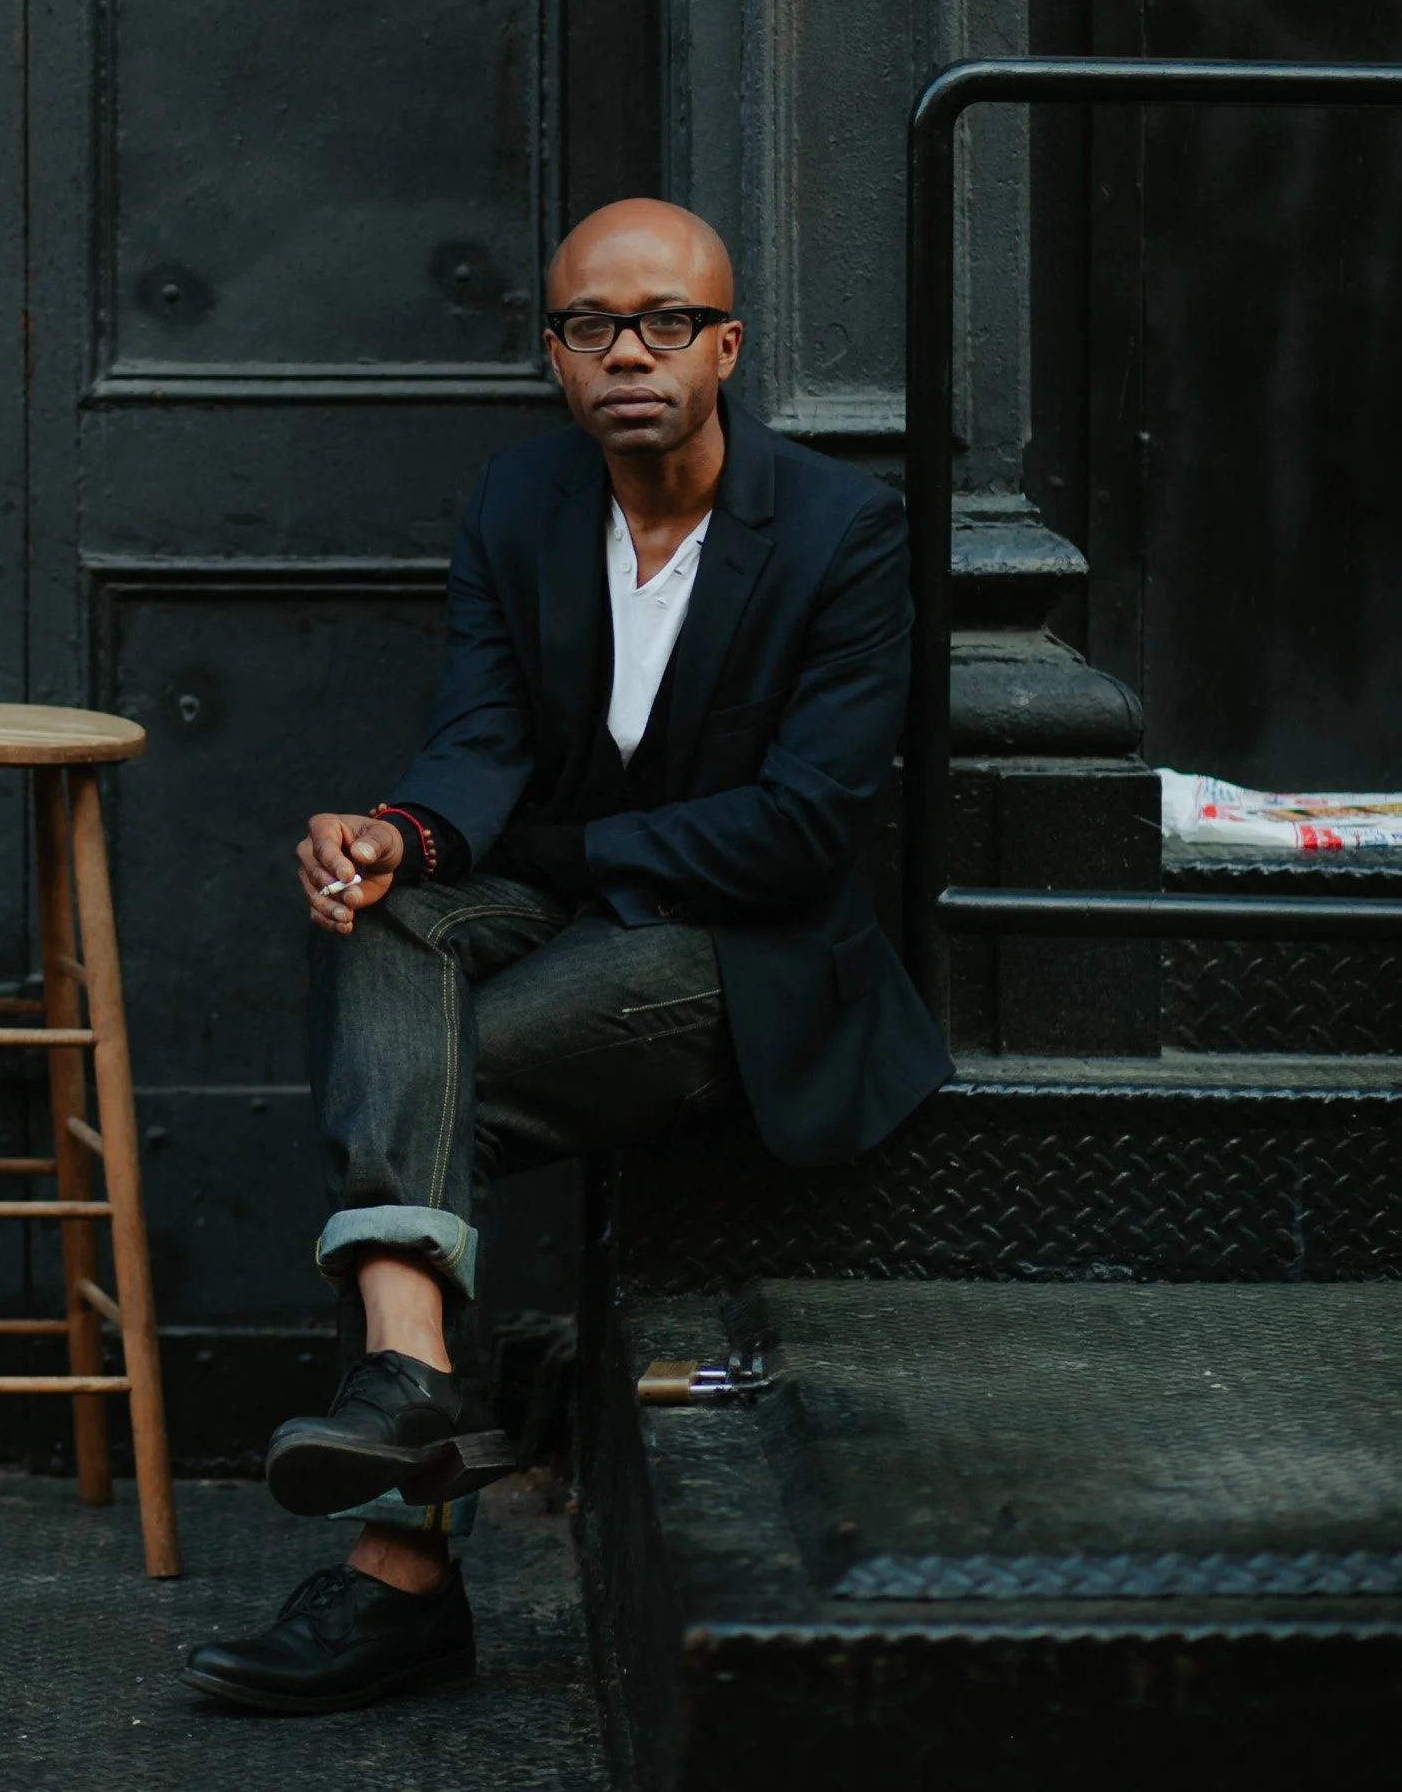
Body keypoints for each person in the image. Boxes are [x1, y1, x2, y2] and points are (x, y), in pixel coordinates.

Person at [181, 199, 951, 1714]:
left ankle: (399, 1569)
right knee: (380, 921)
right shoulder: (521, 501)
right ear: (552, 355)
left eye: (666, 322)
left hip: (740, 956)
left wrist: (564, 850)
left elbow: (799, 834)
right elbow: (478, 741)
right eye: (591, 326)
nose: (628, 353)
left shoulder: (841, 532)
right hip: (552, 913)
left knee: (405, 1080)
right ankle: (406, 1373)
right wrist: (399, 836)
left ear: (725, 346)